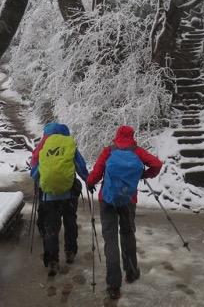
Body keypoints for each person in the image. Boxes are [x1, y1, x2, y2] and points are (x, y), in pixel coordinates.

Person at [86, 125, 162, 300]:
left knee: (110, 240)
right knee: (128, 235)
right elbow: (157, 164)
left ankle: (113, 286)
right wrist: (144, 175)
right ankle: (131, 273)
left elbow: (97, 172)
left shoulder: (109, 151)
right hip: (128, 201)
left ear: (117, 135)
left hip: (107, 199)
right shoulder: (137, 152)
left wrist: (90, 183)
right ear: (132, 136)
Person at [33, 123, 89, 276]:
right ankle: (70, 252)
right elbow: (81, 167)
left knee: (51, 228)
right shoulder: (69, 147)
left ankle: (52, 260)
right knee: (70, 222)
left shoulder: (44, 148)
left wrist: (41, 184)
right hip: (69, 195)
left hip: (49, 196)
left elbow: (34, 173)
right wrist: (88, 181)